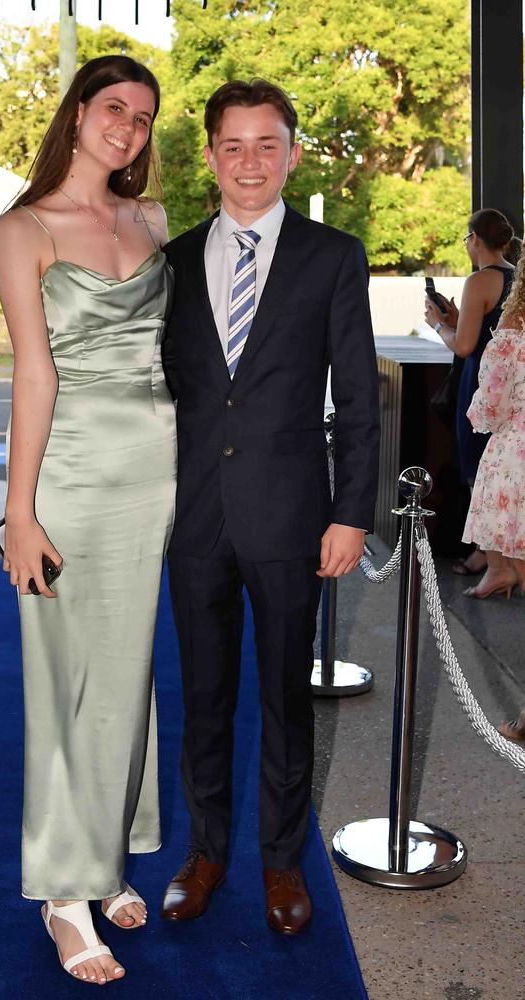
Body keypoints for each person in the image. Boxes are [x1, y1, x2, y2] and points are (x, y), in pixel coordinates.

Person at [161, 79, 379, 935]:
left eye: (267, 144)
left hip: (294, 519)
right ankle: (206, 853)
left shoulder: (334, 256)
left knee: (287, 698)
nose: (249, 161)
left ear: (291, 153)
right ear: (210, 154)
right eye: (234, 145)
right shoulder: (173, 261)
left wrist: (352, 512)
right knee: (203, 697)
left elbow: (359, 400)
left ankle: (282, 864)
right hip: (196, 521)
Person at [0, 55, 176, 984]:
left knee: (130, 666)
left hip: (156, 471)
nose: (129, 128)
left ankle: (107, 853)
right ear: (77, 113)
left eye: (144, 118)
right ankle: (65, 893)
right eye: (115, 108)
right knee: (63, 674)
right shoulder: (22, 228)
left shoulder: (150, 218)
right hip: (69, 473)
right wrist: (18, 513)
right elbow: (35, 373)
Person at [425, 208, 516, 576]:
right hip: (513, 383)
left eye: (466, 239)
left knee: (477, 466)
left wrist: (437, 325)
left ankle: (493, 560)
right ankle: (494, 554)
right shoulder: (516, 277)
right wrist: (458, 319)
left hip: (483, 381)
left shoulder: (479, 281)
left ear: (475, 239)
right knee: (503, 468)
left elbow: (464, 347)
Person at [460, 251, 525, 600]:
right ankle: (501, 573)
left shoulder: (511, 335)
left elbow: (490, 406)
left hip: (515, 454)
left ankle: (502, 572)